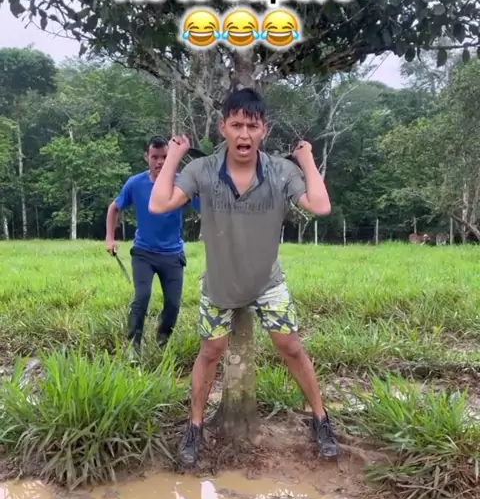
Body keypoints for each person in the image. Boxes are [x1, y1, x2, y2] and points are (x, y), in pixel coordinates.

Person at [148, 89, 339, 467]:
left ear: (263, 129)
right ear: (223, 127)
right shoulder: (202, 170)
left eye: (252, 126)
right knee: (210, 352)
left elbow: (320, 205)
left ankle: (321, 419)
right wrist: (173, 157)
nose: (244, 134)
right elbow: (159, 203)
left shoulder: (281, 171)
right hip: (220, 283)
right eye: (236, 125)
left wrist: (306, 159)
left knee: (291, 347)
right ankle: (195, 427)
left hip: (268, 282)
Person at [106, 135, 199, 353]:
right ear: (146, 157)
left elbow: (204, 206)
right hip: (144, 252)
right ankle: (134, 347)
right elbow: (114, 208)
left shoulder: (182, 183)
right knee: (142, 296)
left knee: (173, 304)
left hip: (173, 254)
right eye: (155, 157)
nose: (160, 162)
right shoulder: (135, 183)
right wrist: (110, 237)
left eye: (165, 157)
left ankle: (162, 343)